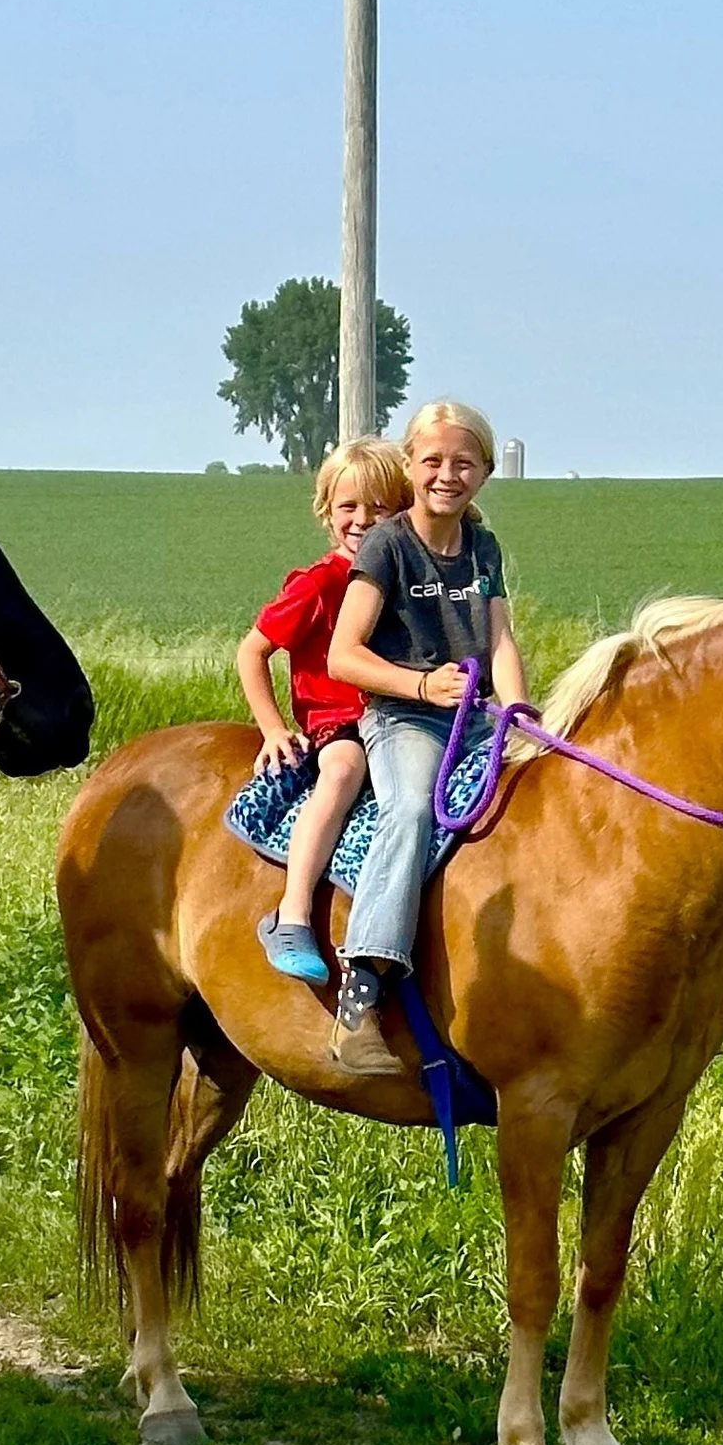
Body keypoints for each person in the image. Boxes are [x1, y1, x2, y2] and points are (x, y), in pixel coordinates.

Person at [320, 397, 529, 1075]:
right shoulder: (388, 544)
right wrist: (420, 686)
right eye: (433, 460)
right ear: (409, 465)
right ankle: (361, 996)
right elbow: (343, 655)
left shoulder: (483, 546)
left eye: (463, 463)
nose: (447, 474)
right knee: (410, 809)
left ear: (486, 472)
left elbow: (498, 637)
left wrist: (522, 712)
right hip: (403, 716)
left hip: (475, 716)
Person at [235, 436, 408, 983]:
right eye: (349, 507)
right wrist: (271, 727)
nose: (363, 519)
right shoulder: (320, 583)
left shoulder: (402, 579)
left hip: (400, 713)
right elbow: (252, 650)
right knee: (343, 771)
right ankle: (293, 913)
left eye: (379, 506)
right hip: (339, 718)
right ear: (327, 513)